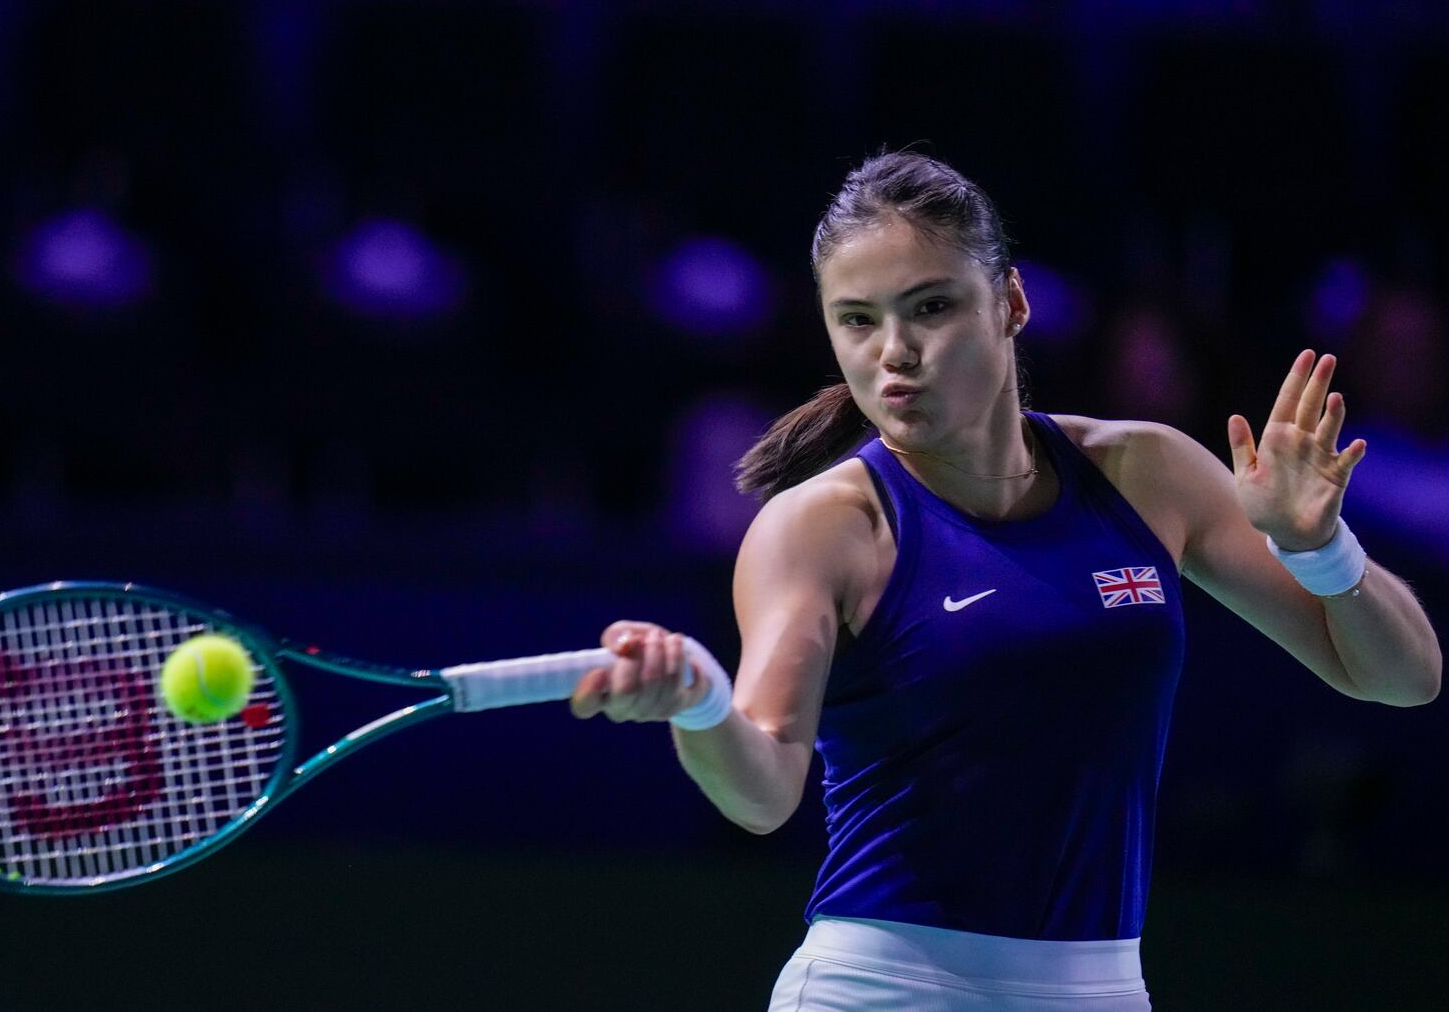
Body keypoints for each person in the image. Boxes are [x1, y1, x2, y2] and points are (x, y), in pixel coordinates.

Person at [568, 151, 1442, 1011]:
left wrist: (1319, 547)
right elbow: (761, 791)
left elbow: (1403, 678)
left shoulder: (1149, 472)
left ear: (1012, 302)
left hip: (1101, 986)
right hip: (885, 987)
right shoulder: (822, 526)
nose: (895, 352)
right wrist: (699, 704)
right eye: (857, 320)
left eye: (932, 306)